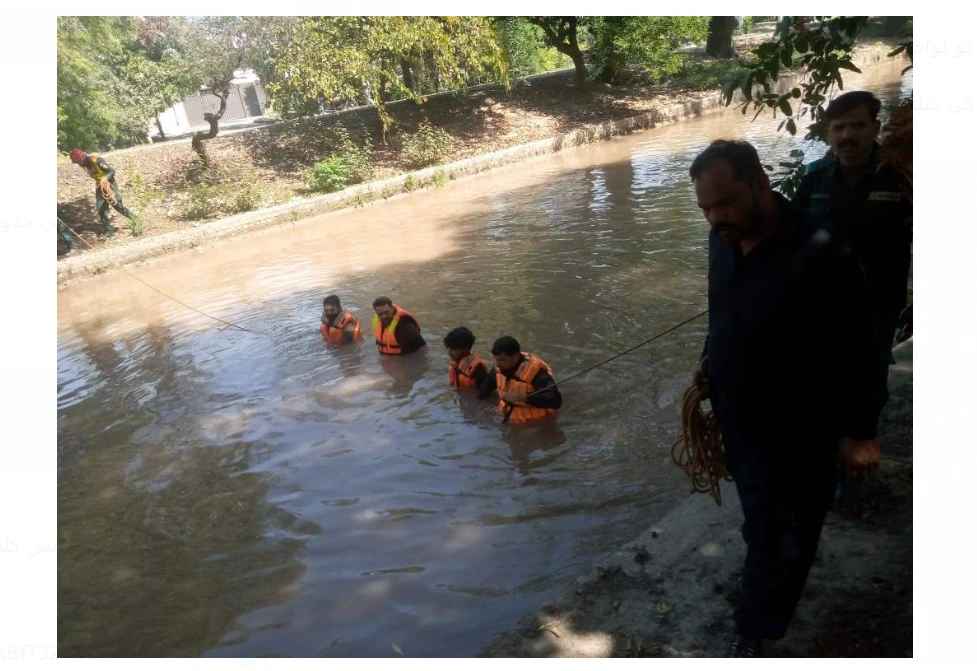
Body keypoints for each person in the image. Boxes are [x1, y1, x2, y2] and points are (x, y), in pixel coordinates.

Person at [689, 140, 882, 657]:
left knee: (787, 532)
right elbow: (723, 310)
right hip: (739, 413)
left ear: (760, 185)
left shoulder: (822, 250)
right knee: (761, 518)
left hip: (801, 424)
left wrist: (860, 431)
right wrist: (712, 358)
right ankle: (763, 587)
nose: (715, 217)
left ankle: (756, 632)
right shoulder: (721, 239)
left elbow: (860, 346)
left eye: (725, 202)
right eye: (705, 208)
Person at [792, 91, 913, 415]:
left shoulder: (902, 176)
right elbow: (790, 239)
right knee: (821, 383)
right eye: (839, 128)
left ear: (875, 128)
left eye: (857, 126)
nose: (847, 136)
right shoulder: (814, 180)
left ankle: (863, 452)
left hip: (878, 305)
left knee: (869, 386)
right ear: (828, 134)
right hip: (823, 305)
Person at [477, 336, 562, 424]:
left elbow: (555, 400)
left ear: (516, 356)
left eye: (502, 360)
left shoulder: (536, 372)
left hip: (536, 423)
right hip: (509, 418)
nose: (497, 364)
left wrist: (523, 396)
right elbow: (483, 392)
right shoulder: (498, 369)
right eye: (495, 359)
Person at [68, 148, 139, 236]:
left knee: (117, 205)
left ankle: (136, 220)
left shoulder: (97, 161)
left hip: (110, 183)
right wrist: (100, 182)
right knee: (100, 208)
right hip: (99, 186)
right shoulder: (83, 164)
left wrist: (105, 178)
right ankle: (108, 230)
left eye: (79, 162)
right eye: (77, 162)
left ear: (83, 158)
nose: (79, 164)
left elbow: (112, 171)